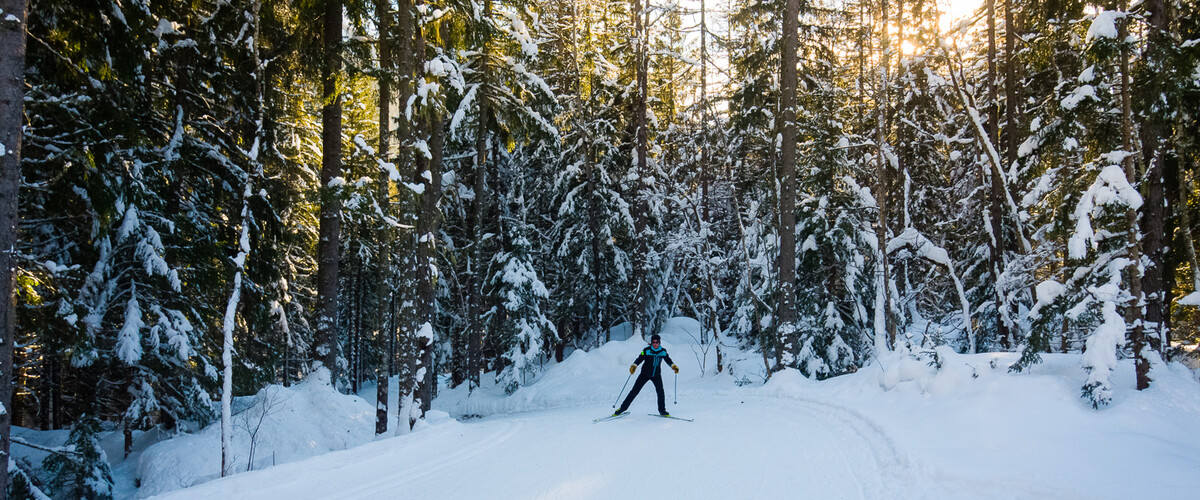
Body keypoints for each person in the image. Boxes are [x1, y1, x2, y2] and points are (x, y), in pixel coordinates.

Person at [614, 334, 679, 416]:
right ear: (651, 343)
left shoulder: (663, 351)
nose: (655, 344)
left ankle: (662, 411)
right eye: (653, 342)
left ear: (659, 342)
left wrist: (673, 366)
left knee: (660, 392)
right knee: (634, 391)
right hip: (644, 374)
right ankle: (622, 408)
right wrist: (634, 365)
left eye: (657, 342)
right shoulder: (646, 350)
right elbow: (639, 358)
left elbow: (668, 360)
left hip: (656, 375)